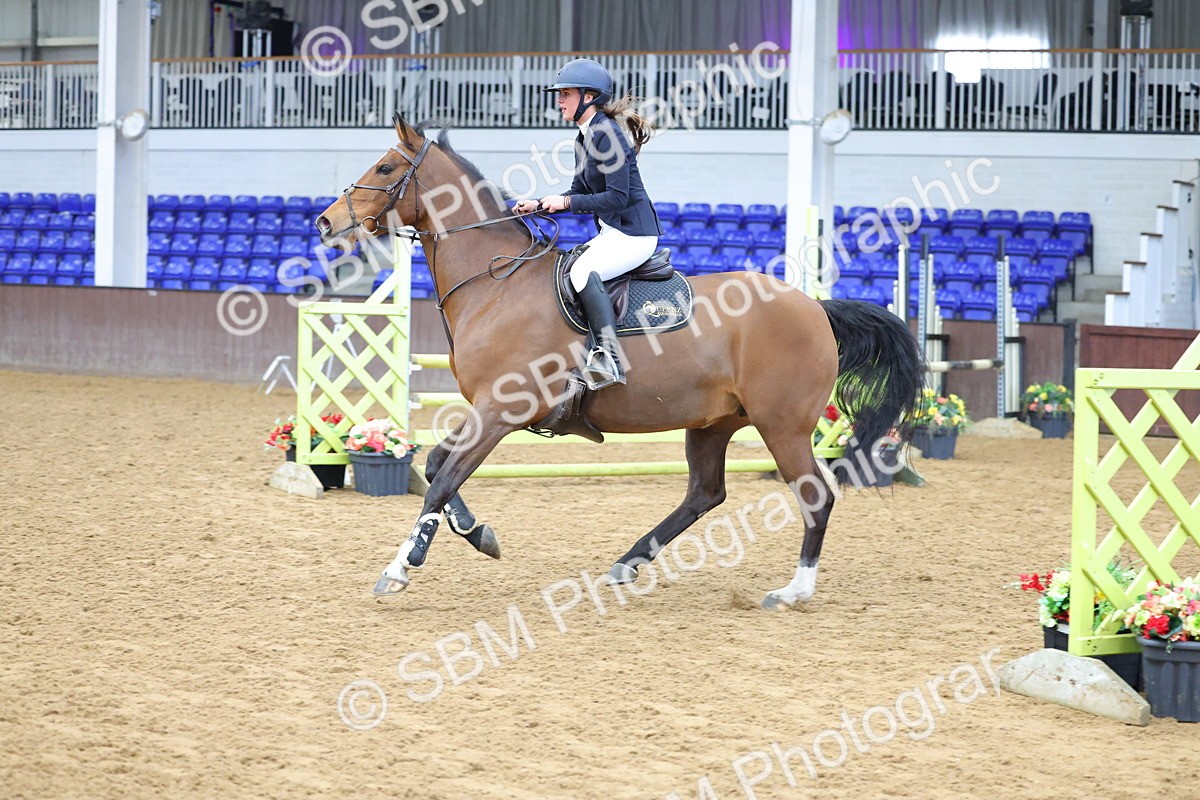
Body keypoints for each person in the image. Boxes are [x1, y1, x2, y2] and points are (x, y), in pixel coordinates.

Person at [513, 58, 662, 390]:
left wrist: (565, 203)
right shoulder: (584, 138)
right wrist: (540, 203)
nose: (559, 100)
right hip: (614, 233)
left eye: (565, 94)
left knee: (582, 272)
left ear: (589, 96)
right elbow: (579, 193)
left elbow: (617, 198)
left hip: (634, 234)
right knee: (568, 268)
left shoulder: (607, 135)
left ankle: (609, 359)